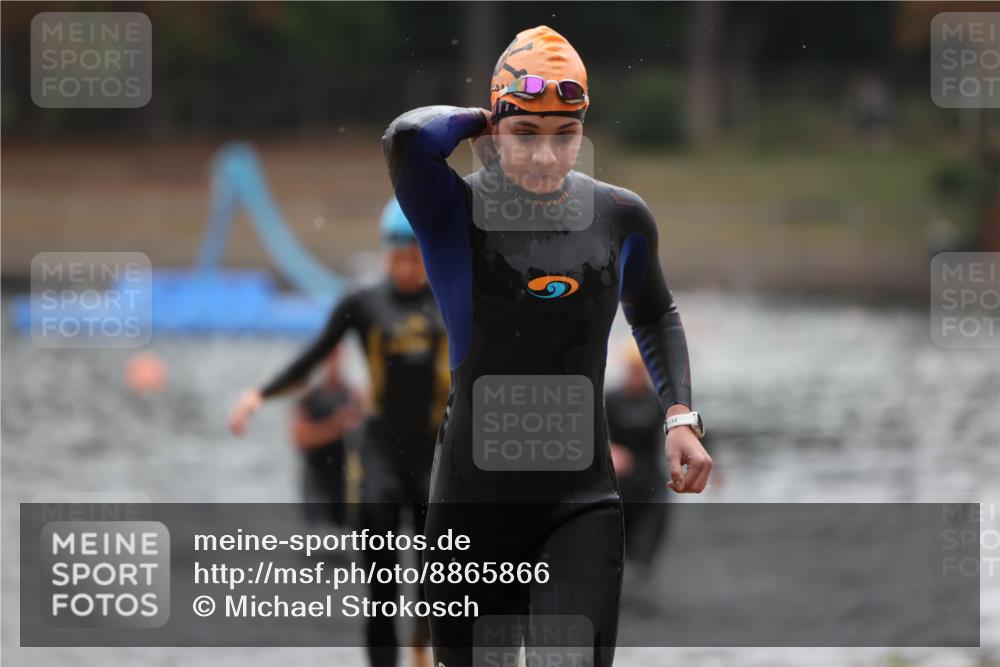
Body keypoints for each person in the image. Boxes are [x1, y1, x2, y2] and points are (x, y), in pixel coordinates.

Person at [382, 25, 712, 667]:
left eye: (565, 135)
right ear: (494, 129)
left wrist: (680, 416)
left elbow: (654, 311)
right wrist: (482, 116)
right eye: (525, 133)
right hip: (472, 507)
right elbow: (406, 137)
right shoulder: (451, 212)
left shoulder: (620, 218)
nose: (545, 155)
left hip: (579, 504)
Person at [229, 198, 449, 667]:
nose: (406, 269)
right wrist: (259, 394)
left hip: (435, 458)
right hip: (380, 458)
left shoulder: (450, 298)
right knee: (382, 589)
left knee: (439, 582)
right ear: (385, 254)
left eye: (415, 259)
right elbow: (311, 357)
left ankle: (422, 647)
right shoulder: (363, 302)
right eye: (397, 258)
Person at [606, 341, 671, 580]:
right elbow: (587, 434)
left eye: (640, 370)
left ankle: (643, 570)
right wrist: (609, 449)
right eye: (632, 369)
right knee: (619, 537)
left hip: (650, 477)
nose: (636, 375)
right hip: (620, 478)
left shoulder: (658, 402)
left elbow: (685, 434)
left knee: (651, 531)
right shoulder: (611, 400)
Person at [292, 345, 365, 529]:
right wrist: (336, 426)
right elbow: (299, 437)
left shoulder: (353, 395)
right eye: (330, 358)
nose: (335, 363)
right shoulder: (310, 397)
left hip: (343, 478)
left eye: (337, 357)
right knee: (320, 532)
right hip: (317, 479)